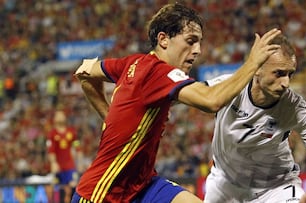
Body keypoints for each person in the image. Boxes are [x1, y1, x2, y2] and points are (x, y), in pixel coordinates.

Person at [71, 3, 281, 203]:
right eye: (190, 41)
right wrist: (253, 63)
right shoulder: (157, 72)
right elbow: (212, 100)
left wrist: (111, 119)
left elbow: (85, 71)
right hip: (103, 193)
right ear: (164, 39)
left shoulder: (134, 62)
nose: (198, 50)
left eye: (199, 42)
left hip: (143, 185)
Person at [203, 34, 306, 203]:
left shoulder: (295, 107)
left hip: (275, 188)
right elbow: (183, 93)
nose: (285, 83)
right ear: (257, 69)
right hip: (224, 183)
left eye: (289, 74)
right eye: (278, 73)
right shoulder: (227, 87)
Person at [47, 109, 82, 202]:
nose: (61, 117)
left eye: (62, 115)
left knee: (73, 187)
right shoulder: (52, 134)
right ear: (54, 119)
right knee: (58, 190)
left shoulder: (71, 132)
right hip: (58, 167)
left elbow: (77, 148)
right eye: (58, 115)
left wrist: (79, 162)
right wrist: (53, 163)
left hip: (70, 166)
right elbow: (51, 151)